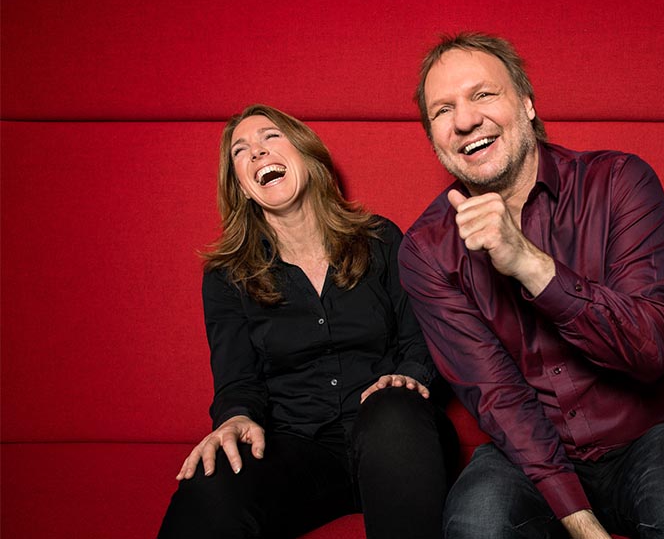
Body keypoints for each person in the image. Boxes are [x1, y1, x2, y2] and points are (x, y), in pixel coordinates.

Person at [398, 33, 664, 539]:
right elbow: (497, 395)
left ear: (527, 103)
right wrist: (581, 523)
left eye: (483, 95)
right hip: (526, 455)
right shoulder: (426, 249)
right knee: (477, 525)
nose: (466, 120)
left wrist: (530, 265)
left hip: (652, 436)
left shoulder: (620, 181)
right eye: (443, 110)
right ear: (433, 136)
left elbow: (650, 349)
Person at [158, 104, 458, 539]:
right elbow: (237, 379)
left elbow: (421, 341)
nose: (257, 152)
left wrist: (408, 378)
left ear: (307, 155)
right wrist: (234, 417)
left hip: (395, 437)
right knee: (211, 482)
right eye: (241, 151)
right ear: (241, 187)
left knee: (393, 410)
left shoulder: (379, 239)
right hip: (299, 449)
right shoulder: (226, 274)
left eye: (270, 137)